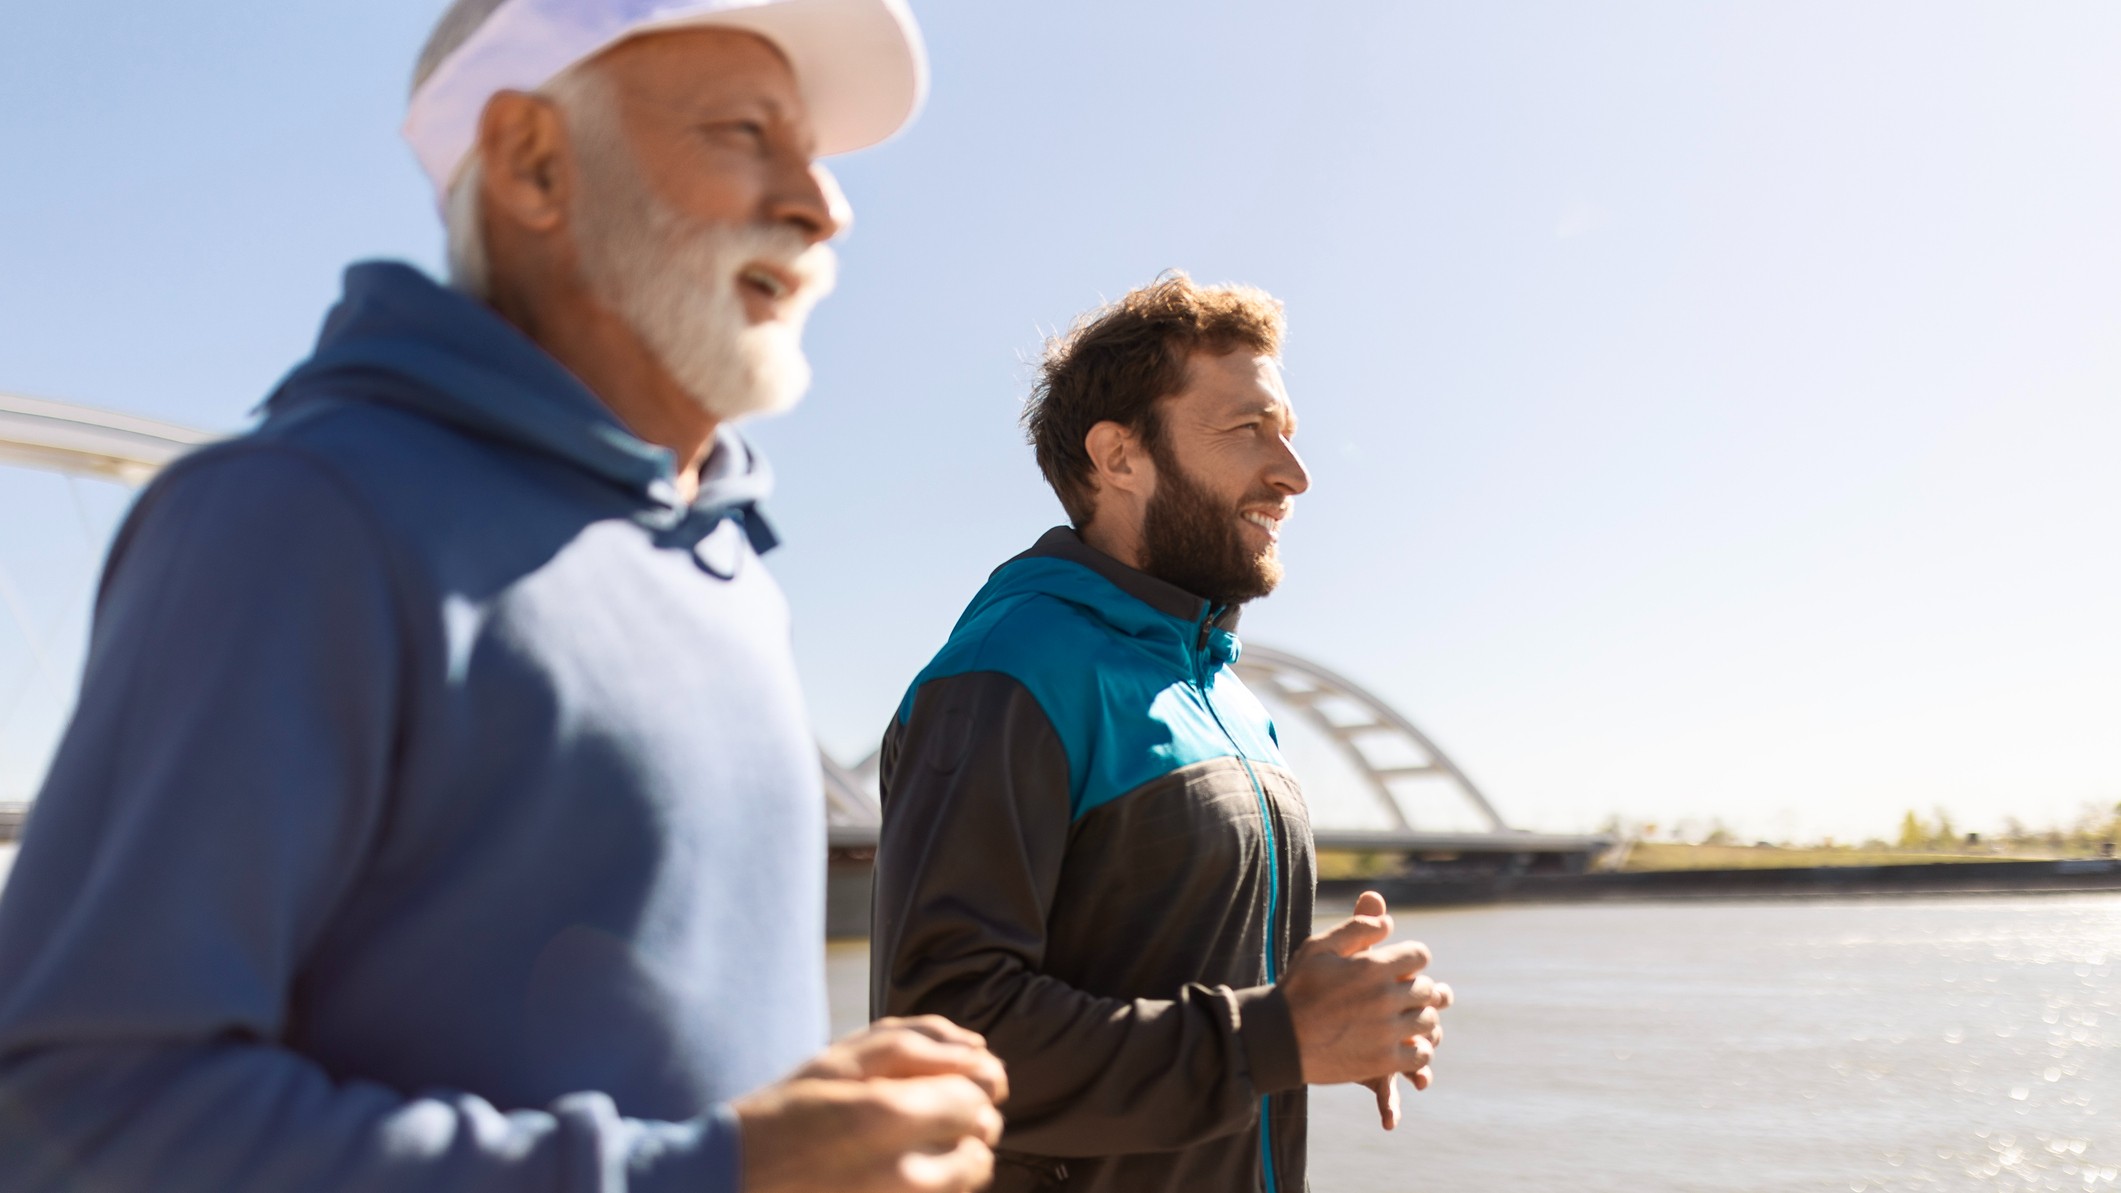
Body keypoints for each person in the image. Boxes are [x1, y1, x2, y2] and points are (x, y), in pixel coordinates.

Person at [0, 2, 1006, 1191]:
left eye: (818, 155)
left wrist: (822, 1112)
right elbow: (74, 1117)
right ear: (534, 162)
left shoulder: (727, 566)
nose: (823, 205)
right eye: (747, 132)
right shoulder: (298, 514)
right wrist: (715, 1168)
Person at [870, 274, 1452, 1193]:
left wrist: (1330, 1006)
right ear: (1119, 457)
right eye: (1247, 429)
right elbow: (944, 1040)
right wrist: (1277, 1033)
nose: (1293, 475)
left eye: (1289, 434)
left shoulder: (1222, 690)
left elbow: (1183, 985)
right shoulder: (1008, 672)